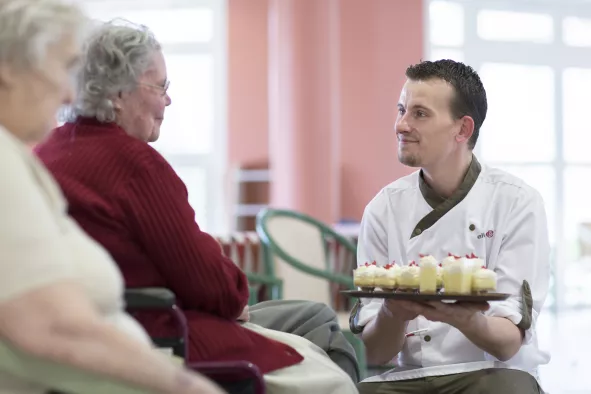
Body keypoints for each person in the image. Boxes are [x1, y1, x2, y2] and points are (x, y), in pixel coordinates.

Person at [35, 19, 359, 394]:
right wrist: (234, 293)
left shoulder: (46, 152)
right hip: (162, 335)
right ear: (119, 92)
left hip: (90, 334)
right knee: (328, 363)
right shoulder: (135, 164)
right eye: (160, 87)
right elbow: (209, 283)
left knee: (313, 319)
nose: (167, 100)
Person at [0, 1, 225, 393]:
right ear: (8, 69)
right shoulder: (7, 164)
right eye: (60, 66)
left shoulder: (29, 155)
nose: (71, 91)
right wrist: (186, 386)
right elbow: (53, 328)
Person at [350, 59, 550, 394]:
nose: (401, 125)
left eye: (420, 114)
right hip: (408, 377)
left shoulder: (517, 202)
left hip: (490, 372)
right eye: (401, 110)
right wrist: (392, 311)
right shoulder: (383, 209)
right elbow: (377, 352)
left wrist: (464, 318)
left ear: (463, 129)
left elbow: (507, 344)